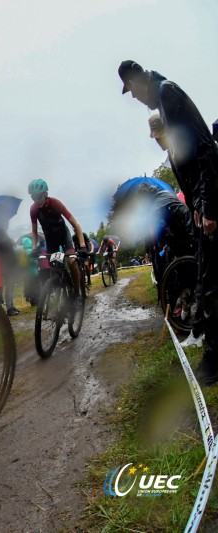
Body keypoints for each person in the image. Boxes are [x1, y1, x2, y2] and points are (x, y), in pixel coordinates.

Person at [120, 60, 218, 373]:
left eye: (132, 90)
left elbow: (204, 150)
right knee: (208, 280)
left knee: (210, 283)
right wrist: (194, 203)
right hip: (199, 204)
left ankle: (213, 361)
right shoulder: (163, 101)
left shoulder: (169, 93)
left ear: (139, 80)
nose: (134, 98)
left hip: (208, 205)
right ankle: (212, 354)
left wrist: (207, 205)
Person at [148, 113, 204, 347]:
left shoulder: (184, 147)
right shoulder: (173, 152)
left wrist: (203, 208)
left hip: (196, 226)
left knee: (203, 276)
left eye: (156, 136)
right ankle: (198, 327)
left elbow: (201, 178)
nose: (155, 141)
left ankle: (200, 330)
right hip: (193, 221)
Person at [27, 179, 88, 297]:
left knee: (71, 261)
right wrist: (34, 248)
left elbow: (76, 225)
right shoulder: (33, 209)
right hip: (51, 240)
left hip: (63, 235)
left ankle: (76, 292)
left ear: (45, 194)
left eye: (38, 196)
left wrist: (82, 246)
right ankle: (63, 295)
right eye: (33, 197)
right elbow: (34, 232)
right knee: (55, 271)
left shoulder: (55, 203)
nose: (36, 200)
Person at [0, 228, 20, 316]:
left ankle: (12, 306)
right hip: (7, 268)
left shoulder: (1, 242)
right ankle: (9, 308)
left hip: (10, 267)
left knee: (11, 288)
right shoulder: (0, 243)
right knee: (9, 288)